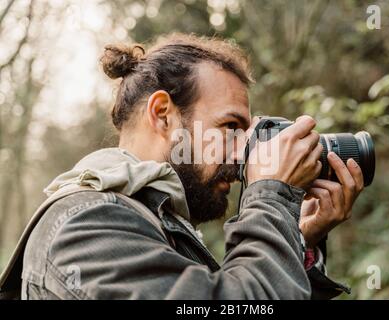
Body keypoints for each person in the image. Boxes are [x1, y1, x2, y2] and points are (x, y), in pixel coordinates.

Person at [20, 33, 364, 299]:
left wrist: (297, 239)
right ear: (162, 114)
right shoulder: (85, 225)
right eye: (231, 127)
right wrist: (272, 198)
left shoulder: (149, 223)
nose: (244, 152)